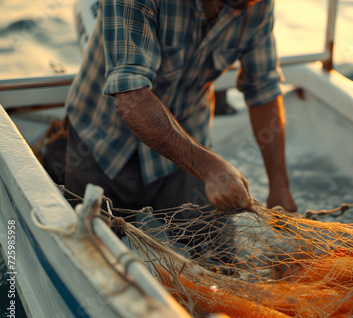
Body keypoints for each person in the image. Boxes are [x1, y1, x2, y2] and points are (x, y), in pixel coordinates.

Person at [64, 0, 296, 247]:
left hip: (187, 145)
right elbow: (130, 97)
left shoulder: (257, 4)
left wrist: (279, 187)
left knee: (219, 256)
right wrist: (211, 169)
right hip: (102, 144)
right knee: (92, 254)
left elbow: (263, 89)